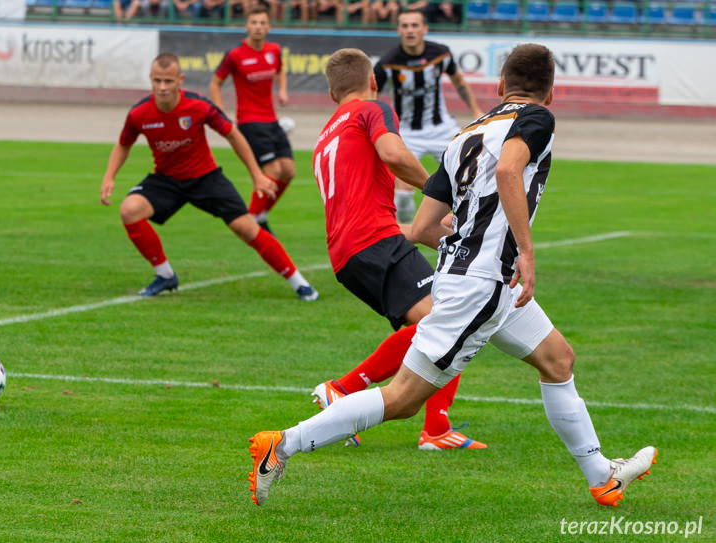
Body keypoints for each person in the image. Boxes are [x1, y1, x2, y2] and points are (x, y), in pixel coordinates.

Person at [248, 45, 657, 508]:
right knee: (403, 400)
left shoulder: (465, 134)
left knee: (558, 359)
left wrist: (467, 244)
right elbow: (508, 168)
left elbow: (422, 227)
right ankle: (281, 444)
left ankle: (601, 475)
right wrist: (522, 249)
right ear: (551, 93)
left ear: (500, 87)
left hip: (480, 281)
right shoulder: (538, 118)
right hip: (482, 284)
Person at [306, 46, 486, 452]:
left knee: (435, 324)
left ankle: (422, 421)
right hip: (375, 240)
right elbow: (393, 154)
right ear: (372, 82)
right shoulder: (372, 109)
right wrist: (444, 193)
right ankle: (363, 398)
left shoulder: (325, 134)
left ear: (332, 94)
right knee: (449, 320)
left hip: (346, 253)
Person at [100, 53, 319, 302]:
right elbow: (123, 144)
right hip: (167, 180)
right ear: (150, 79)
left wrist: (257, 175)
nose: (162, 87)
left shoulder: (198, 105)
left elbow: (233, 135)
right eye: (157, 80)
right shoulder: (139, 113)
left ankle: (299, 282)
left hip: (205, 178)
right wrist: (109, 177)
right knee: (129, 210)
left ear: (180, 80)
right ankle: (165, 275)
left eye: (168, 81)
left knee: (247, 228)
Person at [374, 9, 482, 223]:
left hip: (442, 129)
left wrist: (475, 110)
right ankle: (405, 238)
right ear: (398, 30)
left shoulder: (441, 53)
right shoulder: (387, 63)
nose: (410, 30)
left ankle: (468, 227)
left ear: (425, 29)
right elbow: (371, 96)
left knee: (467, 178)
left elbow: (459, 82)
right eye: (405, 26)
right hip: (406, 133)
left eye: (414, 25)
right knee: (403, 194)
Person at [210, 6, 294, 235]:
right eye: (254, 22)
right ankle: (251, 221)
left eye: (262, 23)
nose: (258, 27)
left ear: (269, 27)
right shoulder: (235, 54)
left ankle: (262, 215)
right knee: (273, 170)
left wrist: (283, 91)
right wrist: (222, 112)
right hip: (249, 121)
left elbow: (280, 71)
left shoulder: (274, 50)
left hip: (272, 119)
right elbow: (215, 83)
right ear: (246, 26)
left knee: (288, 170)